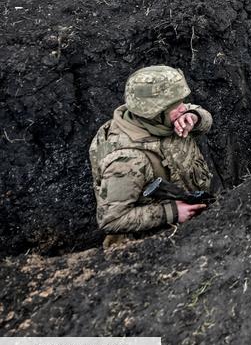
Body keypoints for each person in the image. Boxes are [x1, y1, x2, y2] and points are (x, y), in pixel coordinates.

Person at [88, 65, 213, 247]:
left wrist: (195, 117)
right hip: (155, 244)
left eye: (182, 102)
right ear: (153, 112)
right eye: (175, 107)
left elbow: (203, 117)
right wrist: (171, 213)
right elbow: (111, 219)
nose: (183, 108)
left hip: (198, 213)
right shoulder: (126, 160)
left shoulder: (161, 119)